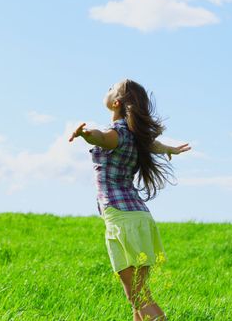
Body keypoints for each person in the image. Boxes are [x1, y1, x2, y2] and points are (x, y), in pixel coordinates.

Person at [69, 79, 191, 320]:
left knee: (137, 296)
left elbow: (101, 138)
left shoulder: (116, 134)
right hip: (140, 218)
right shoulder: (136, 136)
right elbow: (152, 144)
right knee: (138, 298)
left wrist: (86, 135)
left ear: (116, 102)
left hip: (121, 218)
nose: (106, 89)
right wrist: (169, 149)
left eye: (110, 88)